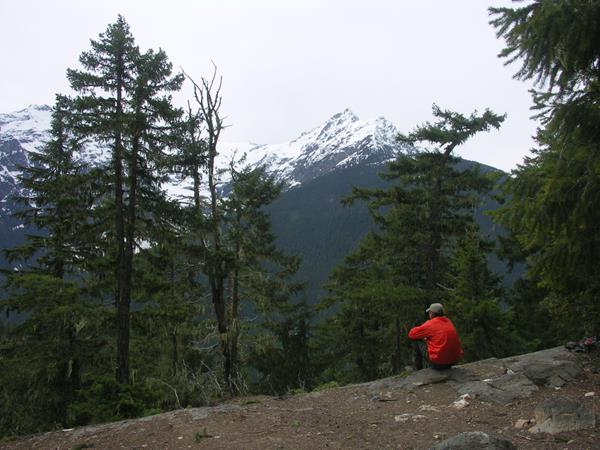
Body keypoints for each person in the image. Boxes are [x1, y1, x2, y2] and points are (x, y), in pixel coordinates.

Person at [408, 303, 463, 370]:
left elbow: (411, 334)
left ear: (432, 314)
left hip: (438, 363)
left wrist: (424, 335)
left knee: (415, 341)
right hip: (454, 361)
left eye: (429, 312)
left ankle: (417, 370)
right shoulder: (448, 321)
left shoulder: (430, 323)